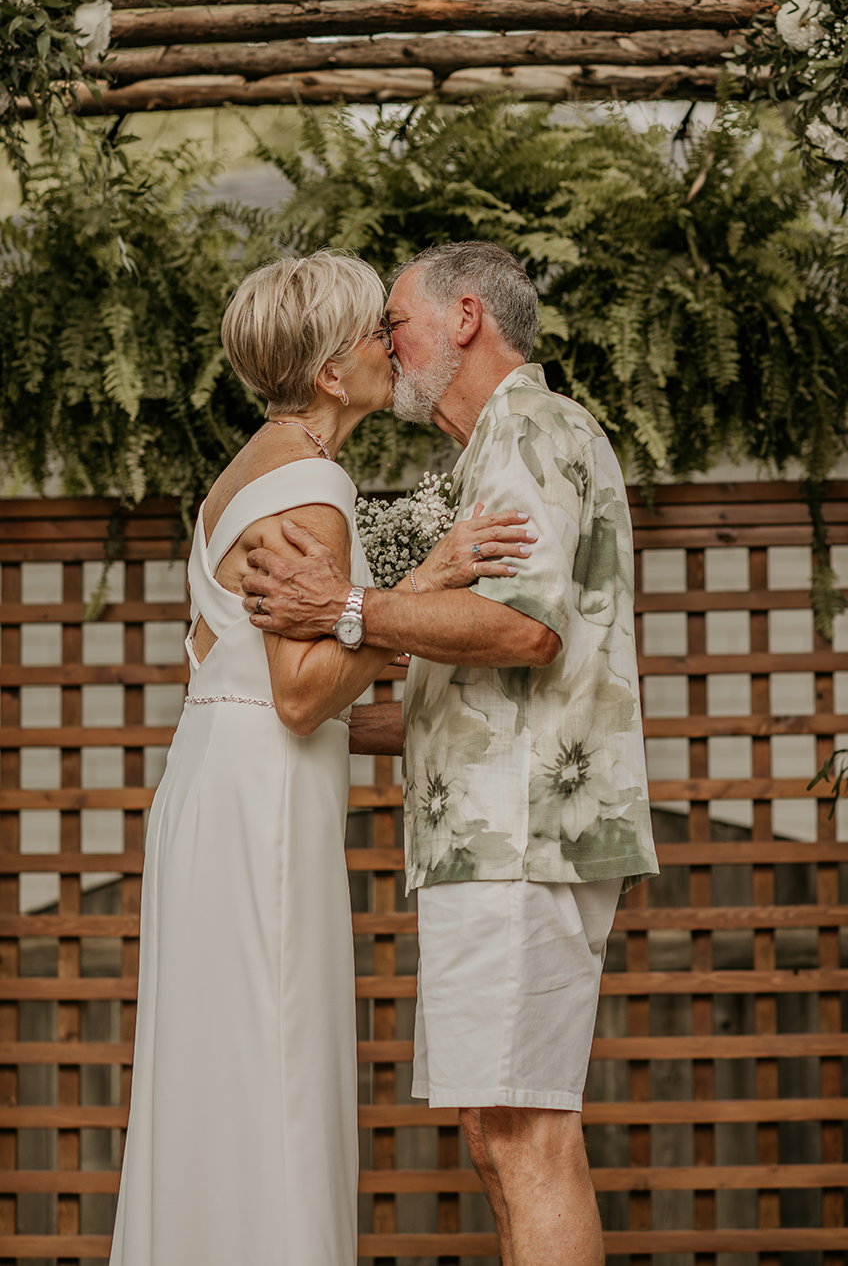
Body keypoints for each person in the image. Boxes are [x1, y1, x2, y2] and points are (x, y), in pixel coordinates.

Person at [109, 249, 532, 1266]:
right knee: (278, 1065)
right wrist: (423, 587)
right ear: (333, 373)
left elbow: (258, 674)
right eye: (372, 333)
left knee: (224, 1069)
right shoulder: (315, 482)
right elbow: (303, 697)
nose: (394, 347)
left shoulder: (249, 469)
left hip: (215, 779)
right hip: (263, 802)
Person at [242, 240, 659, 1266]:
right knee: (496, 1127)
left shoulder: (531, 430)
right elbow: (471, 689)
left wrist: (341, 608)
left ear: (465, 318)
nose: (386, 342)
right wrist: (276, 723)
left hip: (521, 837)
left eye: (398, 320)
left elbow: (524, 633)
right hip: (497, 835)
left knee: (524, 1133)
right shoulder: (496, 452)